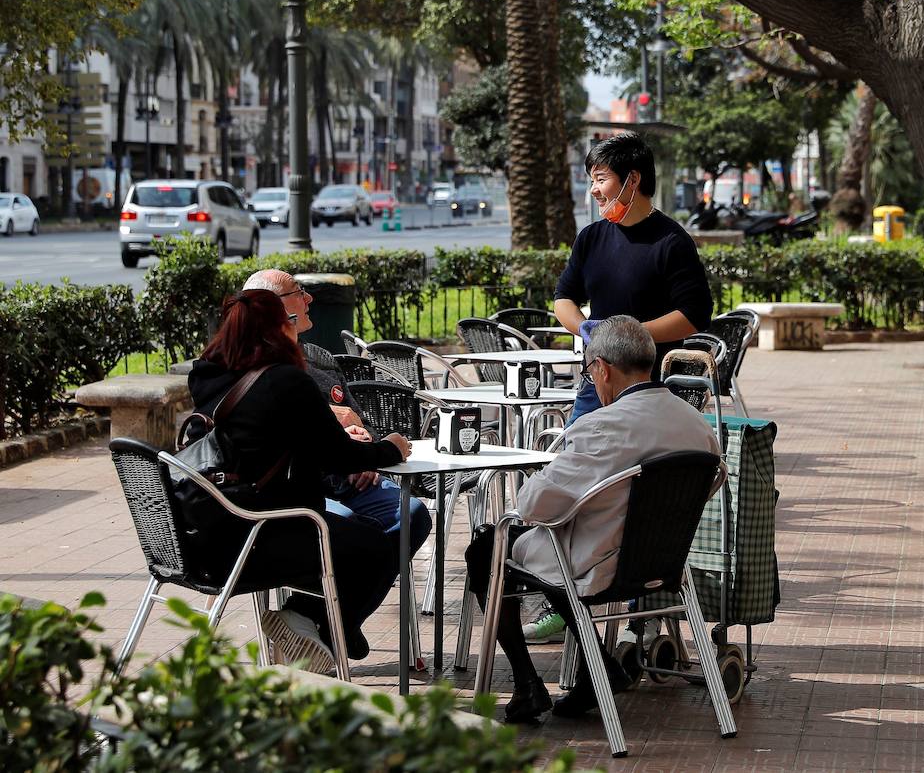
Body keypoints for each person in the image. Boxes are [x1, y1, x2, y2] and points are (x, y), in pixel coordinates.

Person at [464, 316, 720, 723]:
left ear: (601, 368)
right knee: (559, 549)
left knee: (486, 547)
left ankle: (528, 684)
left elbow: (533, 506)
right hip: (665, 563)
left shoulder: (602, 426)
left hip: (597, 564)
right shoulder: (697, 424)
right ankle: (597, 667)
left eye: (588, 372)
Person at [187, 289, 413, 673]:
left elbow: (273, 440)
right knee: (376, 546)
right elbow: (338, 457)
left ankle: (319, 628)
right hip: (264, 532)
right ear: (279, 329)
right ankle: (317, 626)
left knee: (361, 534)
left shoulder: (207, 376)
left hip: (205, 533)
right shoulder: (285, 381)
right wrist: (392, 448)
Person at [241, 269, 432, 557]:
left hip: (351, 478)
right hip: (297, 488)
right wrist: (344, 439)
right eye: (298, 291)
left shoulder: (320, 359)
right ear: (273, 306)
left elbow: (360, 419)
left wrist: (366, 449)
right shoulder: (253, 370)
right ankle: (332, 596)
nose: (309, 297)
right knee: (349, 530)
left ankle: (345, 595)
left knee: (412, 513)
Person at [553, 132, 714, 425]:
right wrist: (588, 330)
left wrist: (629, 335)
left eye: (601, 179)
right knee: (577, 453)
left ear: (633, 179)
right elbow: (563, 298)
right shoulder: (591, 238)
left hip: (653, 384)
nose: (594, 190)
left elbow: (695, 313)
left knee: (641, 467)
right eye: (592, 180)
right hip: (597, 378)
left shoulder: (672, 241)